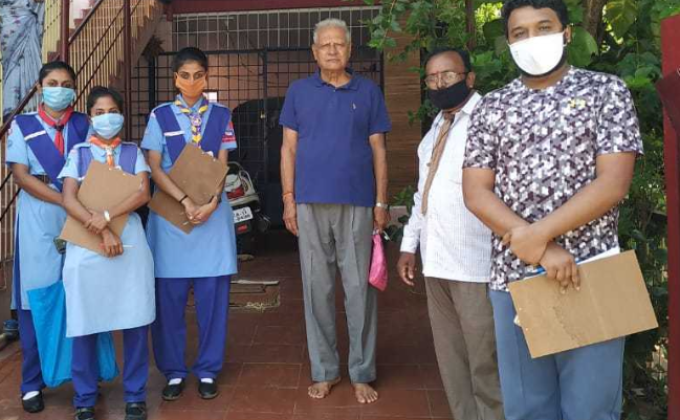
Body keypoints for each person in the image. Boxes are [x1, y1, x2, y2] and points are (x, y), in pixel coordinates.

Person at [462, 1, 643, 419]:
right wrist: (543, 250)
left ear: (566, 33)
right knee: (528, 409)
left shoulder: (606, 92)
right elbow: (476, 192)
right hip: (515, 279)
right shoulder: (492, 107)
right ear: (509, 43)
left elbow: (613, 183)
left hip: (592, 271)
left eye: (543, 27)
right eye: (519, 33)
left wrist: (539, 236)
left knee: (592, 410)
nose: (531, 39)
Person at [279, 18, 391, 404]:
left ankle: (362, 372)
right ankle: (325, 370)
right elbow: (288, 148)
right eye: (325, 45)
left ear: (349, 50)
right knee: (317, 289)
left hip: (358, 202)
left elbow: (379, 150)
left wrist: (381, 202)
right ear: (314, 52)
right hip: (309, 202)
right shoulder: (298, 92)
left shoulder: (369, 91)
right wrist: (288, 199)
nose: (332, 50)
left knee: (359, 290)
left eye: (339, 44)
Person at [397, 47, 504, 420]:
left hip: (477, 264)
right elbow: (423, 195)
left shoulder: (491, 120)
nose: (439, 83)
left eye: (448, 75)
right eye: (432, 77)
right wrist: (409, 245)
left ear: (469, 78)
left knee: (485, 361)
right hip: (437, 262)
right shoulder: (436, 129)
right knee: (451, 358)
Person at [141, 46, 238, 401]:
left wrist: (212, 201)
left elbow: (222, 163)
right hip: (171, 218)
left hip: (212, 217)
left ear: (206, 76)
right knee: (169, 303)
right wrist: (185, 200)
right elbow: (154, 167)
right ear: (175, 78)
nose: (192, 81)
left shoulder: (222, 115)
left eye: (198, 75)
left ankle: (208, 369)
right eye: (185, 75)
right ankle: (173, 371)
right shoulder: (160, 116)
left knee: (213, 301)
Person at [59, 86, 155, 420]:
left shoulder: (132, 152)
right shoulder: (79, 153)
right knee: (84, 320)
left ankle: (135, 396)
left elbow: (142, 192)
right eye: (99, 113)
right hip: (86, 243)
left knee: (135, 319)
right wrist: (101, 228)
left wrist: (107, 217)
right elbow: (68, 198)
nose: (106, 118)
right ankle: (84, 398)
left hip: (129, 242)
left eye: (112, 111)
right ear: (89, 117)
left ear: (122, 115)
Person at [5, 60, 89, 414]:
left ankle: (83, 377)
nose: (60, 89)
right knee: (36, 298)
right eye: (52, 83)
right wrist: (63, 200)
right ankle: (31, 383)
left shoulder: (84, 124)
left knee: (80, 296)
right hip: (39, 216)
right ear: (39, 88)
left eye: (66, 84)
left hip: (80, 215)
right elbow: (21, 176)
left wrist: (75, 204)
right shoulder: (23, 125)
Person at [1, 0, 45, 119]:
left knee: (27, 62)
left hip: (27, 24)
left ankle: (30, 109)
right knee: (11, 66)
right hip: (9, 27)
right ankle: (11, 109)